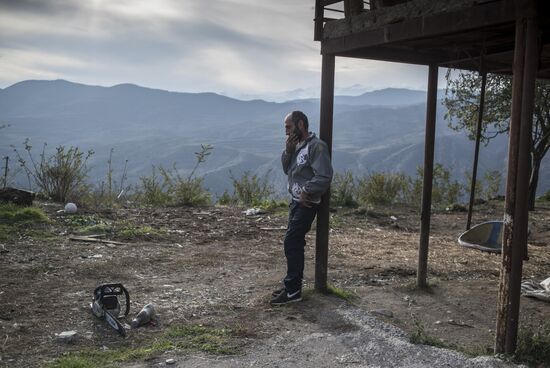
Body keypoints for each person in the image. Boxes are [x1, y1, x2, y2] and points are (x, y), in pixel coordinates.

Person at [270, 111, 333, 306]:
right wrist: (288, 151)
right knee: (293, 243)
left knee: (292, 241)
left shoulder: (317, 146)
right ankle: (292, 287)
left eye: (288, 127)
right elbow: (287, 170)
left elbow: (324, 175)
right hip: (295, 203)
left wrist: (307, 190)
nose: (286, 132)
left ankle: (293, 291)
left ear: (300, 124)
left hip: (307, 204)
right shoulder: (296, 146)